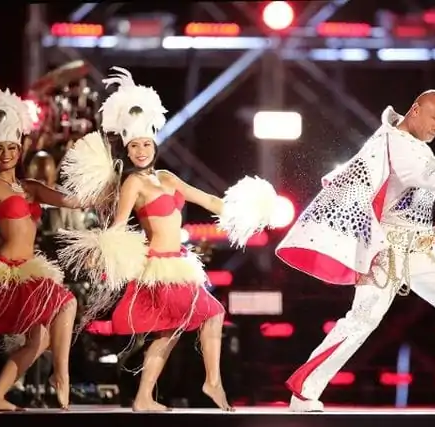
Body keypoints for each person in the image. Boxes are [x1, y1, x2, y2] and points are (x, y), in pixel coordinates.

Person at [276, 90, 435, 413]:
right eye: (434, 118)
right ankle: (303, 392)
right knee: (362, 319)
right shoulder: (397, 144)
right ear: (415, 109)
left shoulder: (412, 145)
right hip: (387, 249)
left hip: (419, 246)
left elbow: (426, 189)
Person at [56, 67, 281, 412]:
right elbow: (119, 224)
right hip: (159, 268)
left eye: (146, 144)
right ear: (127, 150)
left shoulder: (167, 177)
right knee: (212, 313)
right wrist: (103, 249)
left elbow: (209, 201)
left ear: (154, 144)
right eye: (134, 146)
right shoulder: (133, 183)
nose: (141, 150)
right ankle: (211, 382)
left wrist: (249, 209)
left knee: (171, 332)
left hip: (179, 263)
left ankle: (144, 397)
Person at [0, 77, 78, 411]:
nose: (6, 154)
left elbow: (72, 201)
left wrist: (103, 186)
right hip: (8, 274)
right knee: (67, 303)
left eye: (11, 147)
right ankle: (61, 375)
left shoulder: (30, 187)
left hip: (29, 270)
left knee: (41, 339)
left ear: (20, 148)